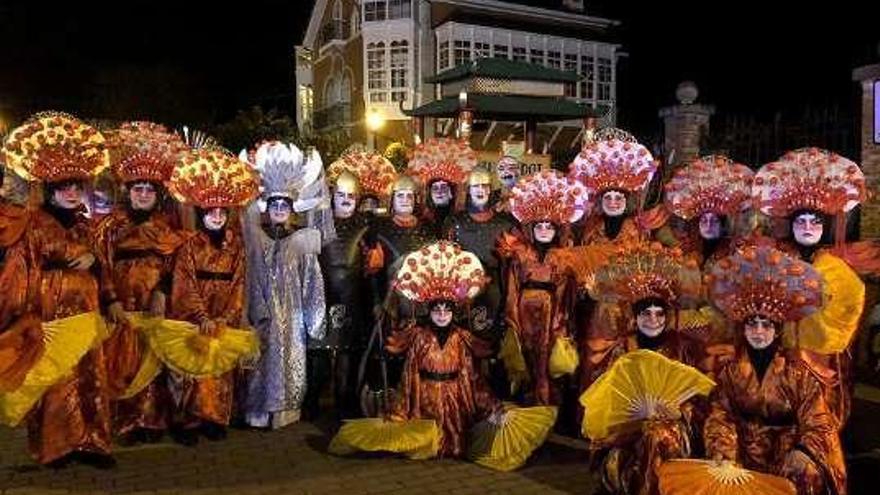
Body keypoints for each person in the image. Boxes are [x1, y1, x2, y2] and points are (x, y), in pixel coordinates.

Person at [3, 112, 115, 468]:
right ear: (50, 190)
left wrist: (95, 265)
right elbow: (20, 271)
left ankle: (93, 443)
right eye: (63, 187)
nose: (70, 192)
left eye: (76, 186)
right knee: (56, 380)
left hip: (87, 314)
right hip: (50, 314)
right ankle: (57, 447)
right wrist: (23, 314)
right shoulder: (34, 224)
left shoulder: (87, 226)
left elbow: (104, 266)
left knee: (91, 376)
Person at [704, 245, 847, 495]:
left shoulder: (799, 371)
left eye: (766, 325)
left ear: (778, 329)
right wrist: (723, 450)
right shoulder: (730, 370)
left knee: (805, 472)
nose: (758, 332)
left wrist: (803, 452)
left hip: (787, 454)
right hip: (741, 451)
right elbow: (720, 415)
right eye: (752, 324)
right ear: (743, 328)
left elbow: (819, 422)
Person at [96, 121, 189, 444]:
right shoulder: (111, 226)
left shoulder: (166, 226)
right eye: (138, 189)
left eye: (150, 190)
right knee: (124, 362)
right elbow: (103, 264)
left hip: (154, 306)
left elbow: (174, 264)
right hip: (123, 308)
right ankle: (128, 422)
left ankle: (153, 421)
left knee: (155, 363)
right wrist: (111, 300)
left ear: (157, 194)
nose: (144, 194)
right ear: (128, 192)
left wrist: (163, 293)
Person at [166, 146, 259, 444]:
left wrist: (224, 316)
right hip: (196, 315)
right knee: (192, 368)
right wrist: (202, 317)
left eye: (222, 211)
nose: (217, 216)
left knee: (219, 370)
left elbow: (240, 284)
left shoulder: (236, 245)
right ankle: (188, 420)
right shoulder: (190, 245)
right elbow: (184, 283)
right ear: (202, 212)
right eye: (211, 212)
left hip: (222, 315)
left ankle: (214, 417)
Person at [242, 142, 326, 429]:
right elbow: (248, 276)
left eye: (284, 205)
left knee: (288, 362)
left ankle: (284, 412)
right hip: (260, 315)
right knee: (259, 363)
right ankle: (256, 414)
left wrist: (314, 323)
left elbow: (312, 283)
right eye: (274, 204)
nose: (279, 209)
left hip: (292, 320)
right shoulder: (255, 241)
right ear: (267, 207)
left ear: (292, 210)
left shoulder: (302, 242)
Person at [501, 170, 587, 405]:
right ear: (532, 228)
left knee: (549, 358)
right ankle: (528, 404)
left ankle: (550, 407)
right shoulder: (520, 254)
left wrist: (561, 320)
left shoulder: (562, 257)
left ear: (557, 229)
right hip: (525, 313)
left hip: (552, 316)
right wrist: (513, 319)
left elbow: (565, 292)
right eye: (540, 226)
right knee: (527, 357)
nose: (544, 230)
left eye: (550, 226)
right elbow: (512, 288)